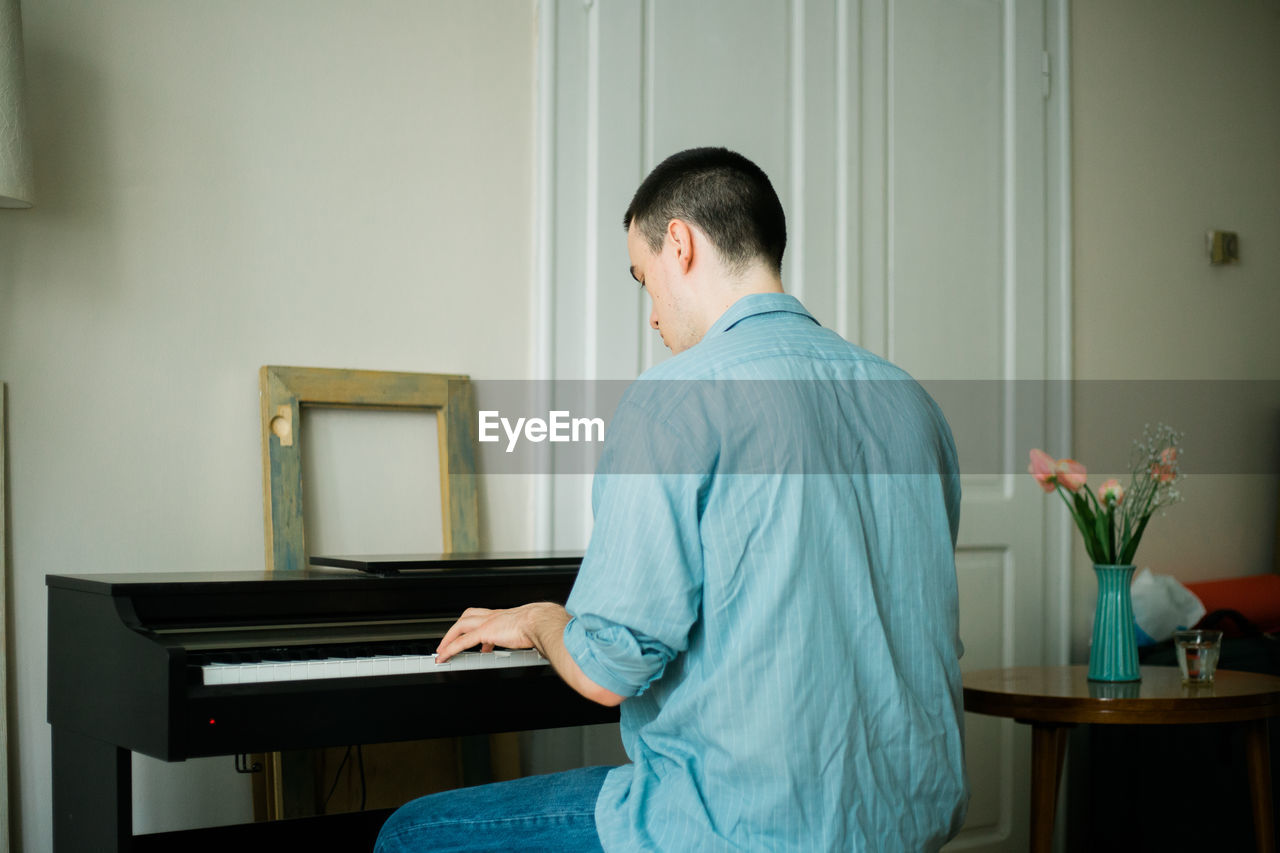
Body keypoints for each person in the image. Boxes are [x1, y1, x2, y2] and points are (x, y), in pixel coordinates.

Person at [375, 147, 967, 852]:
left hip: (734, 829)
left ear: (680, 243)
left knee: (408, 833)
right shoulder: (911, 403)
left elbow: (605, 673)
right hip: (905, 826)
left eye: (644, 278)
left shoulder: (677, 396)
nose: (653, 316)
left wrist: (540, 619)